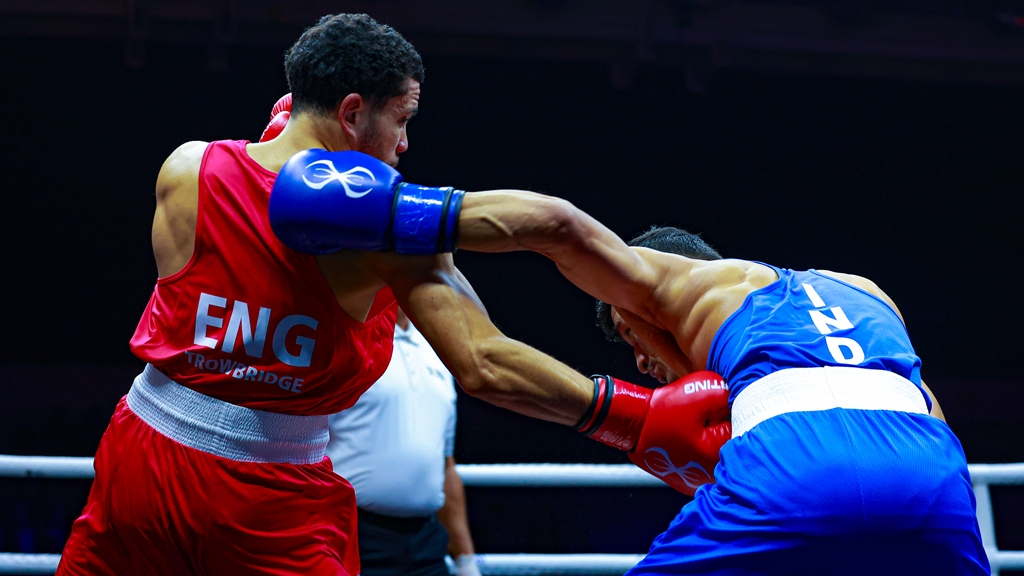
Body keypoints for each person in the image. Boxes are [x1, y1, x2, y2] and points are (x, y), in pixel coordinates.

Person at [57, 12, 718, 575]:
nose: (404, 144)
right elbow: (483, 362)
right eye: (401, 120)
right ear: (352, 113)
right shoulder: (386, 237)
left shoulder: (187, 168)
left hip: (139, 460)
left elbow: (248, 245)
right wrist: (629, 417)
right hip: (267, 502)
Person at [268, 143, 989, 573]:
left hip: (795, 467)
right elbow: (931, 421)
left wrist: (395, 213)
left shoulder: (699, 282)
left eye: (629, 335)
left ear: (642, 303)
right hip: (934, 481)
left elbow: (561, 229)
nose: (642, 362)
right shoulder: (864, 291)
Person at [326, 307, 481, 576]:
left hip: (427, 542)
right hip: (351, 535)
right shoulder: (343, 337)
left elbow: (444, 464)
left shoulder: (438, 348)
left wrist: (466, 561)